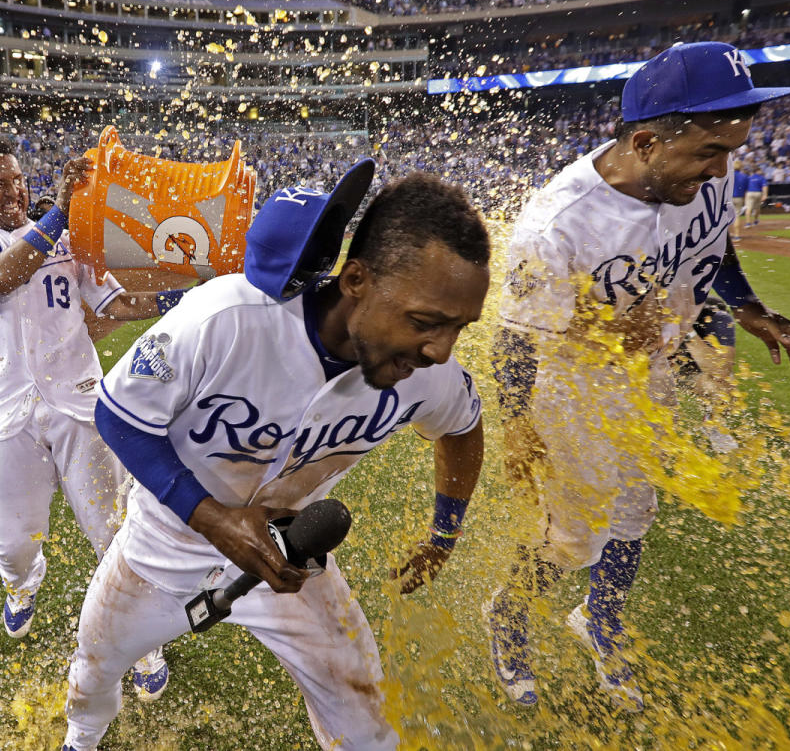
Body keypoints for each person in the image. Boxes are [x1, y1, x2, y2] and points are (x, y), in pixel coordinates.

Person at [62, 165, 491, 751]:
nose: (441, 349)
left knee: (363, 710)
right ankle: (81, 741)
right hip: (166, 542)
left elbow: (464, 429)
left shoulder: (428, 375)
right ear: (357, 280)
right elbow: (119, 414)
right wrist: (212, 516)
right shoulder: (227, 318)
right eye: (424, 322)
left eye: (459, 328)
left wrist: (444, 535)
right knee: (93, 674)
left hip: (289, 557)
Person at [488, 42, 790, 711]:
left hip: (651, 370)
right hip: (573, 388)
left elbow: (713, 242)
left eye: (730, 150)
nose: (724, 169)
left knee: (636, 511)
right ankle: (508, 614)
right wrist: (519, 426)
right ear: (645, 141)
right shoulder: (557, 225)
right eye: (709, 154)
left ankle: (598, 620)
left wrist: (746, 308)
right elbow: (516, 338)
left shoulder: (700, 174)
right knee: (573, 541)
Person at [0, 135, 188, 700]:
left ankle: (144, 642)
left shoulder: (69, 238)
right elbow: (1, 277)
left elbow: (116, 304)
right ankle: (21, 585)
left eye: (19, 179)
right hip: (6, 414)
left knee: (116, 533)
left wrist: (183, 297)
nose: (13, 190)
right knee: (13, 540)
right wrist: (59, 211)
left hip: (79, 404)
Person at [670, 295, 739, 454]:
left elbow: (721, 370)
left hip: (687, 369)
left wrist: (685, 329)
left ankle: (715, 425)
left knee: (723, 387)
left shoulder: (717, 317)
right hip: (655, 366)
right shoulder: (648, 310)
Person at [744, 163, 767, 227]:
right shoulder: (761, 178)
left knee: (748, 208)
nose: (761, 171)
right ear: (757, 171)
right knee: (757, 208)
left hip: (749, 193)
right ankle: (756, 220)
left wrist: (745, 195)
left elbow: (745, 187)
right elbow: (764, 186)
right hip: (758, 193)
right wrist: (765, 195)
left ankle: (748, 223)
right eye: (760, 170)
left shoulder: (749, 177)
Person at [730, 159, 748, 239]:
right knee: (737, 216)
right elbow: (746, 190)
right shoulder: (744, 176)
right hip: (739, 198)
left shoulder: (729, 175)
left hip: (728, 198)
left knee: (723, 218)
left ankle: (725, 236)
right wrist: (745, 200)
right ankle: (737, 235)